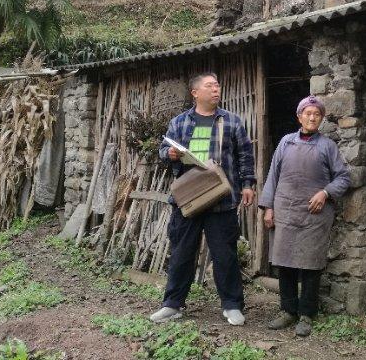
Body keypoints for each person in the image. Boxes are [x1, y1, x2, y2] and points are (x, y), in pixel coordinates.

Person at [150, 72, 256, 326]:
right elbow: (163, 151)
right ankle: (172, 304)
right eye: (210, 86)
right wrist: (170, 153)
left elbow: (245, 155)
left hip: (221, 198)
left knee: (225, 254)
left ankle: (232, 305)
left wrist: (248, 184)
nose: (216, 89)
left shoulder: (231, 121)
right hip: (188, 198)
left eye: (217, 85)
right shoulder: (179, 122)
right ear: (195, 93)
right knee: (181, 253)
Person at [259, 95, 351, 336]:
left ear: (321, 119)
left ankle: (307, 314)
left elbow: (343, 177)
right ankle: (288, 311)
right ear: (299, 117)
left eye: (317, 114)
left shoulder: (327, 146)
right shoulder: (286, 142)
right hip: (286, 211)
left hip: (314, 216)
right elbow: (273, 176)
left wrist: (325, 192)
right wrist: (268, 207)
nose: (312, 117)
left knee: (311, 264)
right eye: (308, 113)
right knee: (285, 261)